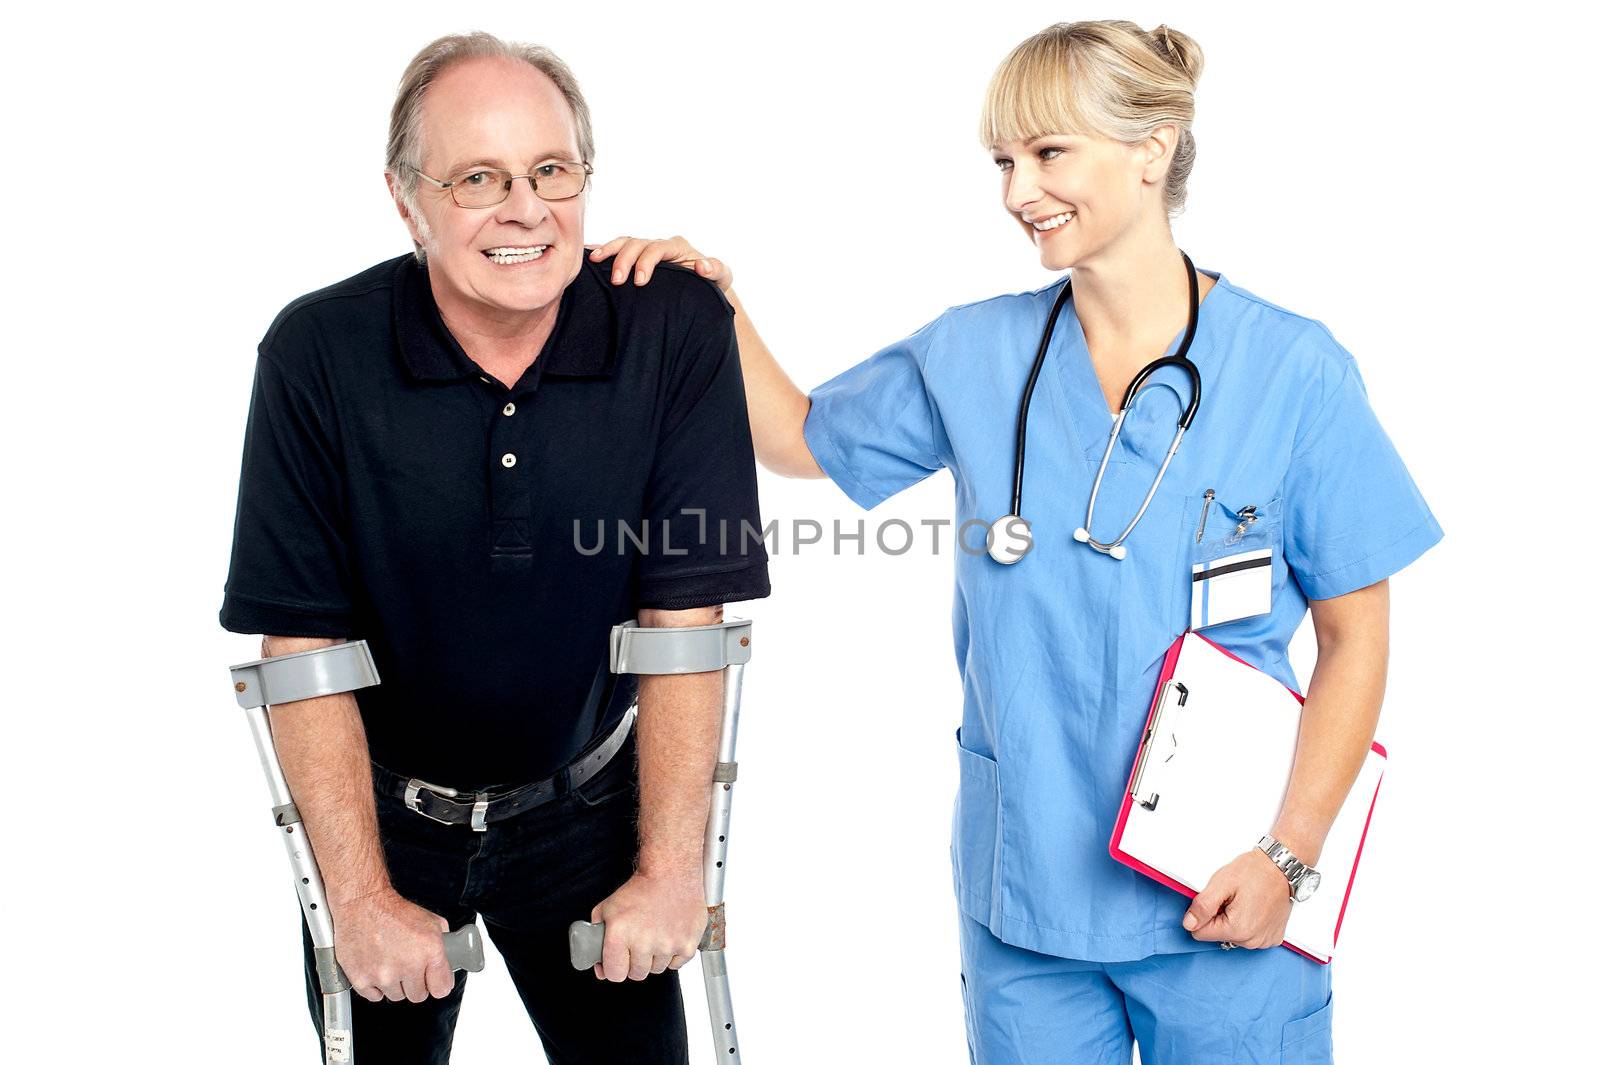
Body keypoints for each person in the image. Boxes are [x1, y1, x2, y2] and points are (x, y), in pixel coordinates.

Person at [594, 19, 1440, 1065]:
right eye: (1003, 161)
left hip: (1228, 890)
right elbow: (805, 439)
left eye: (1047, 154)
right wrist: (714, 302)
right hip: (1027, 899)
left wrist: (1289, 856)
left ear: (1153, 147)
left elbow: (1356, 638)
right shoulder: (975, 353)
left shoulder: (1295, 374)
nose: (1014, 192)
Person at [218, 32, 769, 1065]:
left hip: (593, 803)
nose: (525, 209)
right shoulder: (317, 352)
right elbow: (301, 646)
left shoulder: (673, 326)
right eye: (478, 178)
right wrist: (360, 896)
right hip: (383, 813)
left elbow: (684, 621)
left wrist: (670, 870)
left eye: (551, 171)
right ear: (405, 199)